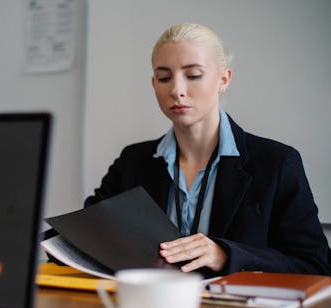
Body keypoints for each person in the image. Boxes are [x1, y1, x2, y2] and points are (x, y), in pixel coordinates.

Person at [85, 23, 331, 277]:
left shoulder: (277, 163)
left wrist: (225, 255)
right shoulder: (133, 161)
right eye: (164, 77)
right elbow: (81, 234)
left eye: (193, 75)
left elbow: (315, 265)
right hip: (150, 307)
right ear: (153, 83)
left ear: (223, 79)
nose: (176, 90)